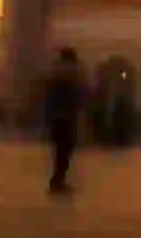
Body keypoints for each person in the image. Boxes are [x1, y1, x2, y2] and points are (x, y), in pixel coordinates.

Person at [44, 48, 85, 196]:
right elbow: (75, 99)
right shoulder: (68, 78)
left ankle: (57, 179)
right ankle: (57, 180)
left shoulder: (55, 76)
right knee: (65, 150)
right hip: (66, 118)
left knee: (61, 151)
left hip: (58, 118)